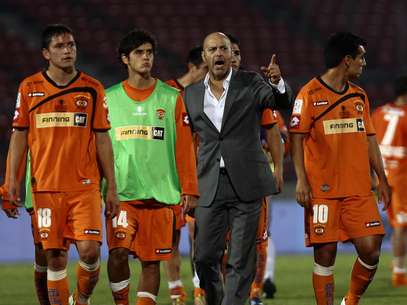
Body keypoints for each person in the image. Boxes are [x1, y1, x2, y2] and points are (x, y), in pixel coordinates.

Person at [7, 24, 118, 305]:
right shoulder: (29, 87)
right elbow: (19, 136)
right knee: (54, 256)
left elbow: (103, 139)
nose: (68, 50)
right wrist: (10, 181)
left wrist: (112, 187)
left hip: (85, 187)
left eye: (71, 45)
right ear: (46, 53)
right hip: (45, 187)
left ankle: (80, 299)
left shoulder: (92, 88)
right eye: (60, 46)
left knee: (91, 252)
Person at [183, 32, 292, 305]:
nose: (219, 53)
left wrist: (278, 83)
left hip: (247, 182)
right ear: (205, 57)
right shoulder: (191, 94)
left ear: (232, 55)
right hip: (209, 183)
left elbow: (279, 103)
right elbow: (184, 143)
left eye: (224, 49)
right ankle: (216, 298)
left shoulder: (251, 82)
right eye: (213, 49)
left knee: (241, 259)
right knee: (205, 256)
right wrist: (186, 184)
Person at [290, 32, 391, 305]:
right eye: (361, 58)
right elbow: (296, 138)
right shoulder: (309, 94)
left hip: (358, 189)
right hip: (322, 190)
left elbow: (370, 140)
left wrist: (381, 178)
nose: (364, 63)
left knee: (371, 249)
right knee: (324, 255)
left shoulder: (359, 96)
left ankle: (351, 300)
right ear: (347, 60)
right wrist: (301, 180)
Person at [104, 29, 198, 305]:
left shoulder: (171, 98)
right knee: (118, 252)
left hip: (160, 194)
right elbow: (99, 147)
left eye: (149, 52)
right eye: (139, 53)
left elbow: (184, 147)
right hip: (123, 194)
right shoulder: (109, 99)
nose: (146, 58)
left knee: (151, 262)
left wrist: (190, 188)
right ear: (125, 59)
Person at [226, 33, 285, 305]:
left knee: (259, 239)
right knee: (219, 244)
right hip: (217, 179)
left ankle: (254, 293)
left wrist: (278, 170)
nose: (233, 58)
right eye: (229, 52)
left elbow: (275, 132)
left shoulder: (254, 87)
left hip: (254, 179)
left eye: (237, 53)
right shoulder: (202, 92)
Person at [165, 46, 207, 305]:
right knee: (171, 238)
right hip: (169, 176)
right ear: (192, 68)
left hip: (199, 174)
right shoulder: (167, 93)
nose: (208, 74)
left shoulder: (206, 95)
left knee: (198, 236)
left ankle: (199, 288)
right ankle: (176, 292)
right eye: (204, 69)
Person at [1, 150, 50, 305]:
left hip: (81, 191)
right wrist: (8, 189)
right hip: (41, 191)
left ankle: (80, 299)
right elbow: (19, 147)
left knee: (89, 251)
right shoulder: (27, 126)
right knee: (48, 255)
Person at [371, 76, 407, 287]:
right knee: (402, 226)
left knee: (396, 225)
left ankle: (396, 268)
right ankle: (399, 273)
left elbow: (368, 144)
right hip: (402, 176)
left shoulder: (378, 113)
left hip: (380, 176)